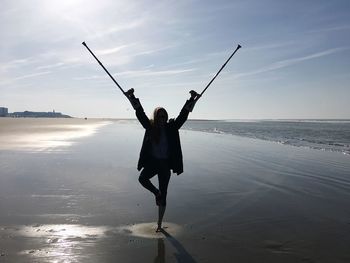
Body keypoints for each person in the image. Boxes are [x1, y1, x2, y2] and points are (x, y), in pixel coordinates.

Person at [125, 89, 200, 232]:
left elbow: (183, 116)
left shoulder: (172, 128)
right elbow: (140, 114)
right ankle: (156, 192)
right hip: (153, 163)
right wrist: (131, 96)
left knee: (164, 195)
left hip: (165, 165)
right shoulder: (150, 127)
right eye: (159, 117)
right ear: (156, 117)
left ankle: (159, 224)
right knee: (142, 179)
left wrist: (192, 99)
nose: (162, 119)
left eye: (164, 116)